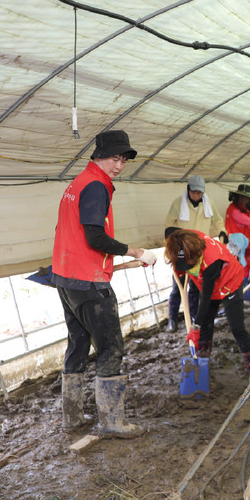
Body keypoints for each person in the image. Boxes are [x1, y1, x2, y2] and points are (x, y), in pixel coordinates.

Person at [52, 130, 157, 439]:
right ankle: (112, 421)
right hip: (89, 282)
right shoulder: (97, 186)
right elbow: (95, 237)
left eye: (123, 160)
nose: (119, 166)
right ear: (98, 156)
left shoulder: (78, 182)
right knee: (110, 347)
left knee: (78, 343)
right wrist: (134, 251)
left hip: (66, 277)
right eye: (114, 158)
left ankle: (72, 416)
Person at [163, 228, 250, 377]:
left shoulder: (211, 262)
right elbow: (170, 231)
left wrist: (195, 327)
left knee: (236, 327)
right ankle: (202, 363)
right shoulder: (184, 239)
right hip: (208, 284)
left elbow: (206, 299)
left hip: (230, 283)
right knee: (206, 323)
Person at [164, 175, 224, 331]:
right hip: (183, 250)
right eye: (194, 192)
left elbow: (217, 221)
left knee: (196, 286)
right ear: (188, 190)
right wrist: (175, 248)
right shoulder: (178, 203)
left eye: (200, 193)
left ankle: (192, 317)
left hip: (200, 251)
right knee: (177, 286)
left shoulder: (208, 203)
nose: (197, 195)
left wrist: (222, 232)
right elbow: (169, 225)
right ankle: (172, 320)